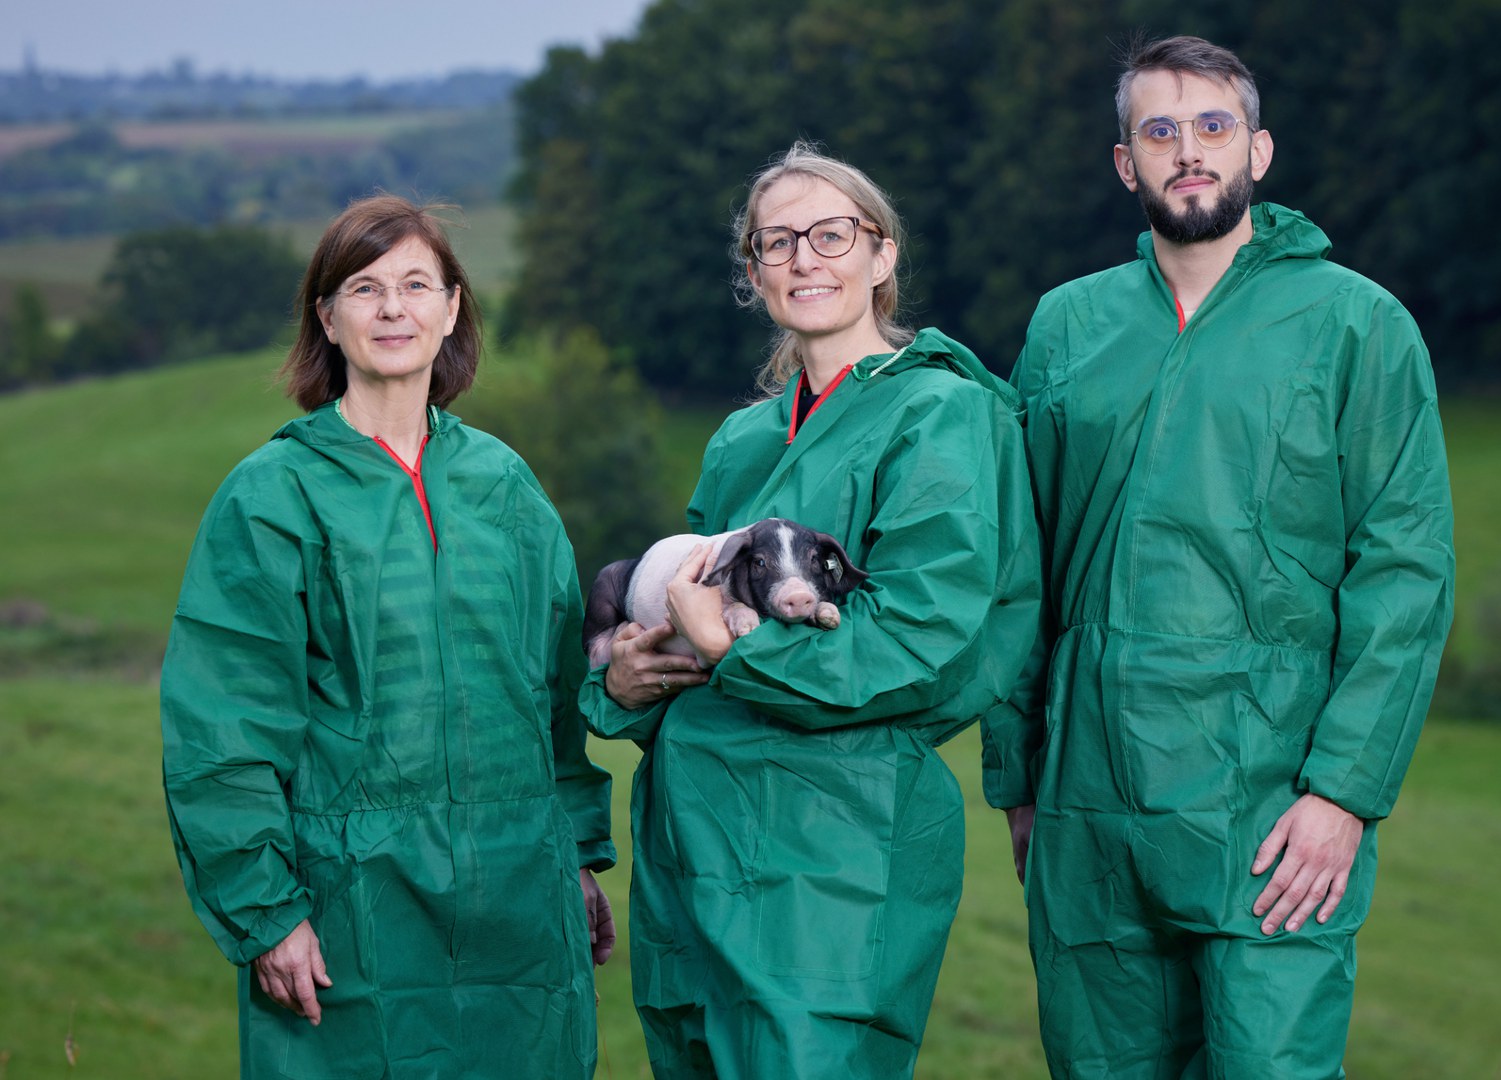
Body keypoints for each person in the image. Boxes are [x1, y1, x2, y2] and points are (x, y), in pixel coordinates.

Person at [987, 35, 1456, 1078]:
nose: (1187, 150)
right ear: (1126, 164)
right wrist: (1021, 774)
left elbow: (1406, 574)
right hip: (1090, 801)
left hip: (1272, 803)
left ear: (1260, 150)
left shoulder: (1356, 324)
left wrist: (1345, 794)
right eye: (1159, 130)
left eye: (1212, 126)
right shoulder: (1068, 327)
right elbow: (1024, 565)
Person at [579, 142, 1041, 1079]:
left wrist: (734, 654)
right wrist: (627, 680)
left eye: (832, 234)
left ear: (883, 257)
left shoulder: (941, 416)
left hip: (832, 853)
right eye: (776, 241)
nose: (805, 258)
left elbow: (923, 642)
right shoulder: (743, 439)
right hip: (690, 847)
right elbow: (688, 625)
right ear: (752, 273)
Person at [161, 194, 617, 1078]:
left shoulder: (506, 488)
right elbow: (225, 728)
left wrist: (578, 858)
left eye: (417, 284)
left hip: (520, 898)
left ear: (452, 310)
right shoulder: (273, 496)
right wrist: (266, 911)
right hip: (350, 908)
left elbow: (555, 698)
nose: (393, 308)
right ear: (327, 319)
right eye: (364, 288)